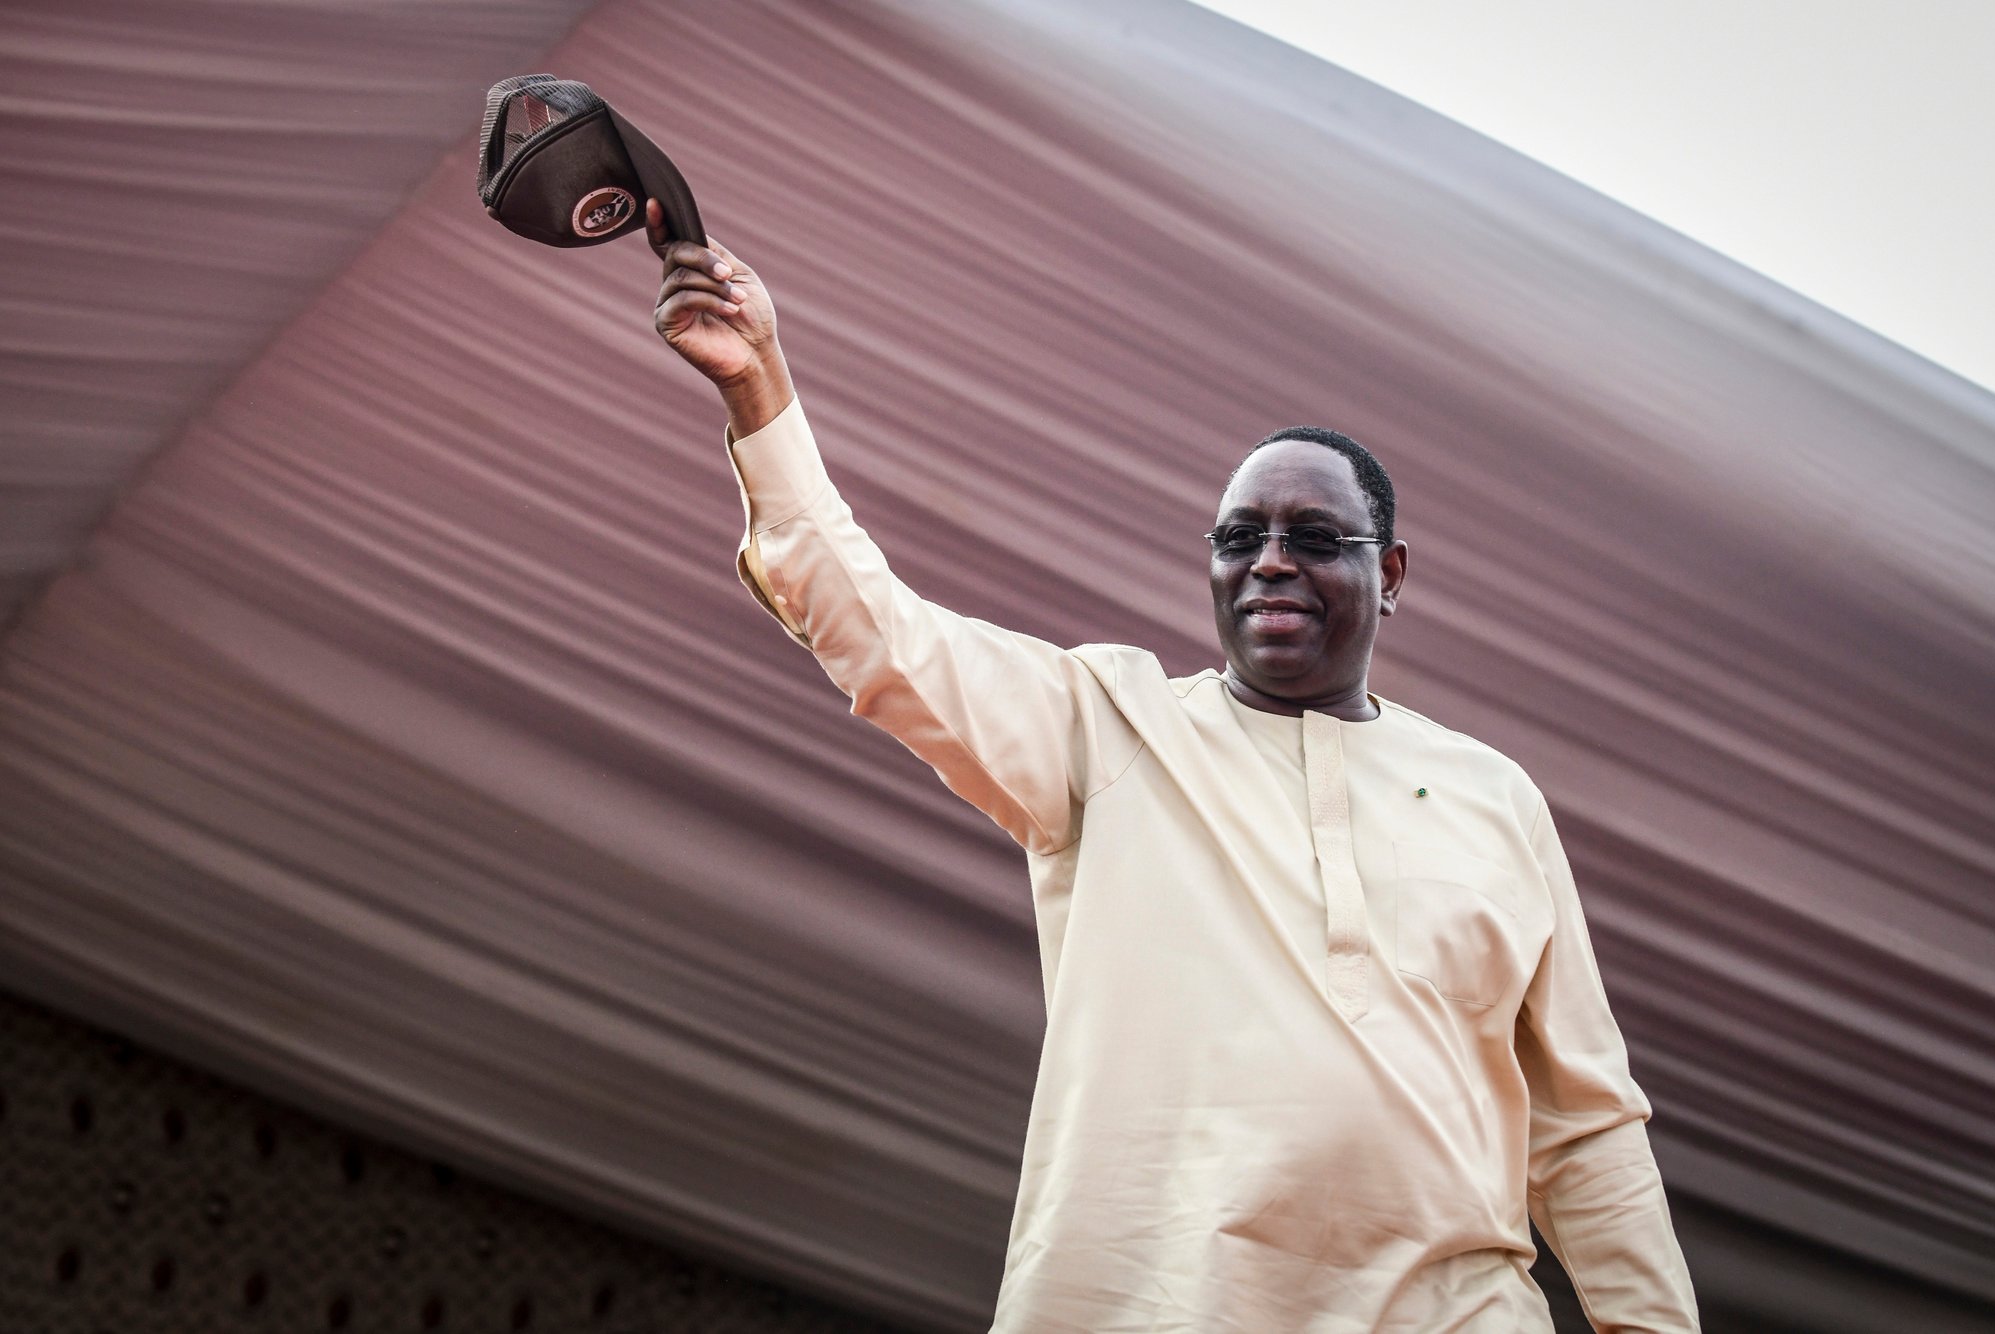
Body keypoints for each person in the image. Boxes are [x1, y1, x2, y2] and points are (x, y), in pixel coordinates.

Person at [644, 201, 1701, 1333]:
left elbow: (1585, 1123)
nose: (1270, 564)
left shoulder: (1495, 796)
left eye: (1313, 537)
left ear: (1388, 572)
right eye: (1238, 538)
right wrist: (758, 387)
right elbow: (876, 629)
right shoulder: (1108, 724)